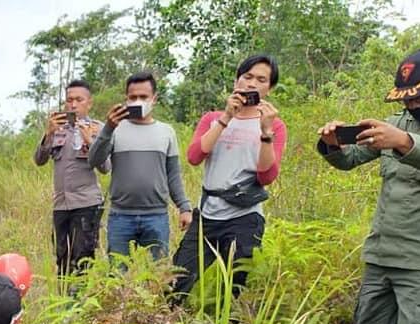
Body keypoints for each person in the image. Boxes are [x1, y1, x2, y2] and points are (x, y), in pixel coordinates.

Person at [316, 49, 420, 324]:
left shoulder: (400, 133)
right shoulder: (394, 123)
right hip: (381, 252)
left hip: (419, 260)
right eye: (408, 101)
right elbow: (349, 160)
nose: (413, 106)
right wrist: (332, 144)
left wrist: (405, 143)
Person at [171, 55, 286, 297]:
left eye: (261, 79)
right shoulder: (212, 119)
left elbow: (267, 176)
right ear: (236, 80)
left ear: (270, 88)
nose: (252, 84)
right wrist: (226, 118)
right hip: (207, 214)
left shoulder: (275, 126)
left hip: (245, 216)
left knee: (233, 287)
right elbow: (194, 157)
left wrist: (265, 132)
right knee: (177, 281)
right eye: (247, 77)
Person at [88, 71, 192, 259]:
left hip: (157, 216)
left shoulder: (166, 132)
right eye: (132, 97)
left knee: (157, 276)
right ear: (126, 99)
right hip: (120, 216)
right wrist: (108, 128)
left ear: (154, 99)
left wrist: (184, 207)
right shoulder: (115, 130)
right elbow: (94, 160)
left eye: (143, 97)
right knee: (117, 276)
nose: (138, 101)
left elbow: (173, 175)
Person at [34, 79, 109, 275]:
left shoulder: (98, 129)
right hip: (61, 205)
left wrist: (90, 141)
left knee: (83, 260)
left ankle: (83, 303)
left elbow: (105, 167)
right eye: (69, 100)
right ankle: (64, 302)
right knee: (62, 258)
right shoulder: (58, 128)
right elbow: (39, 160)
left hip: (86, 204)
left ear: (89, 103)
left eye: (79, 100)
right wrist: (48, 134)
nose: (73, 105)